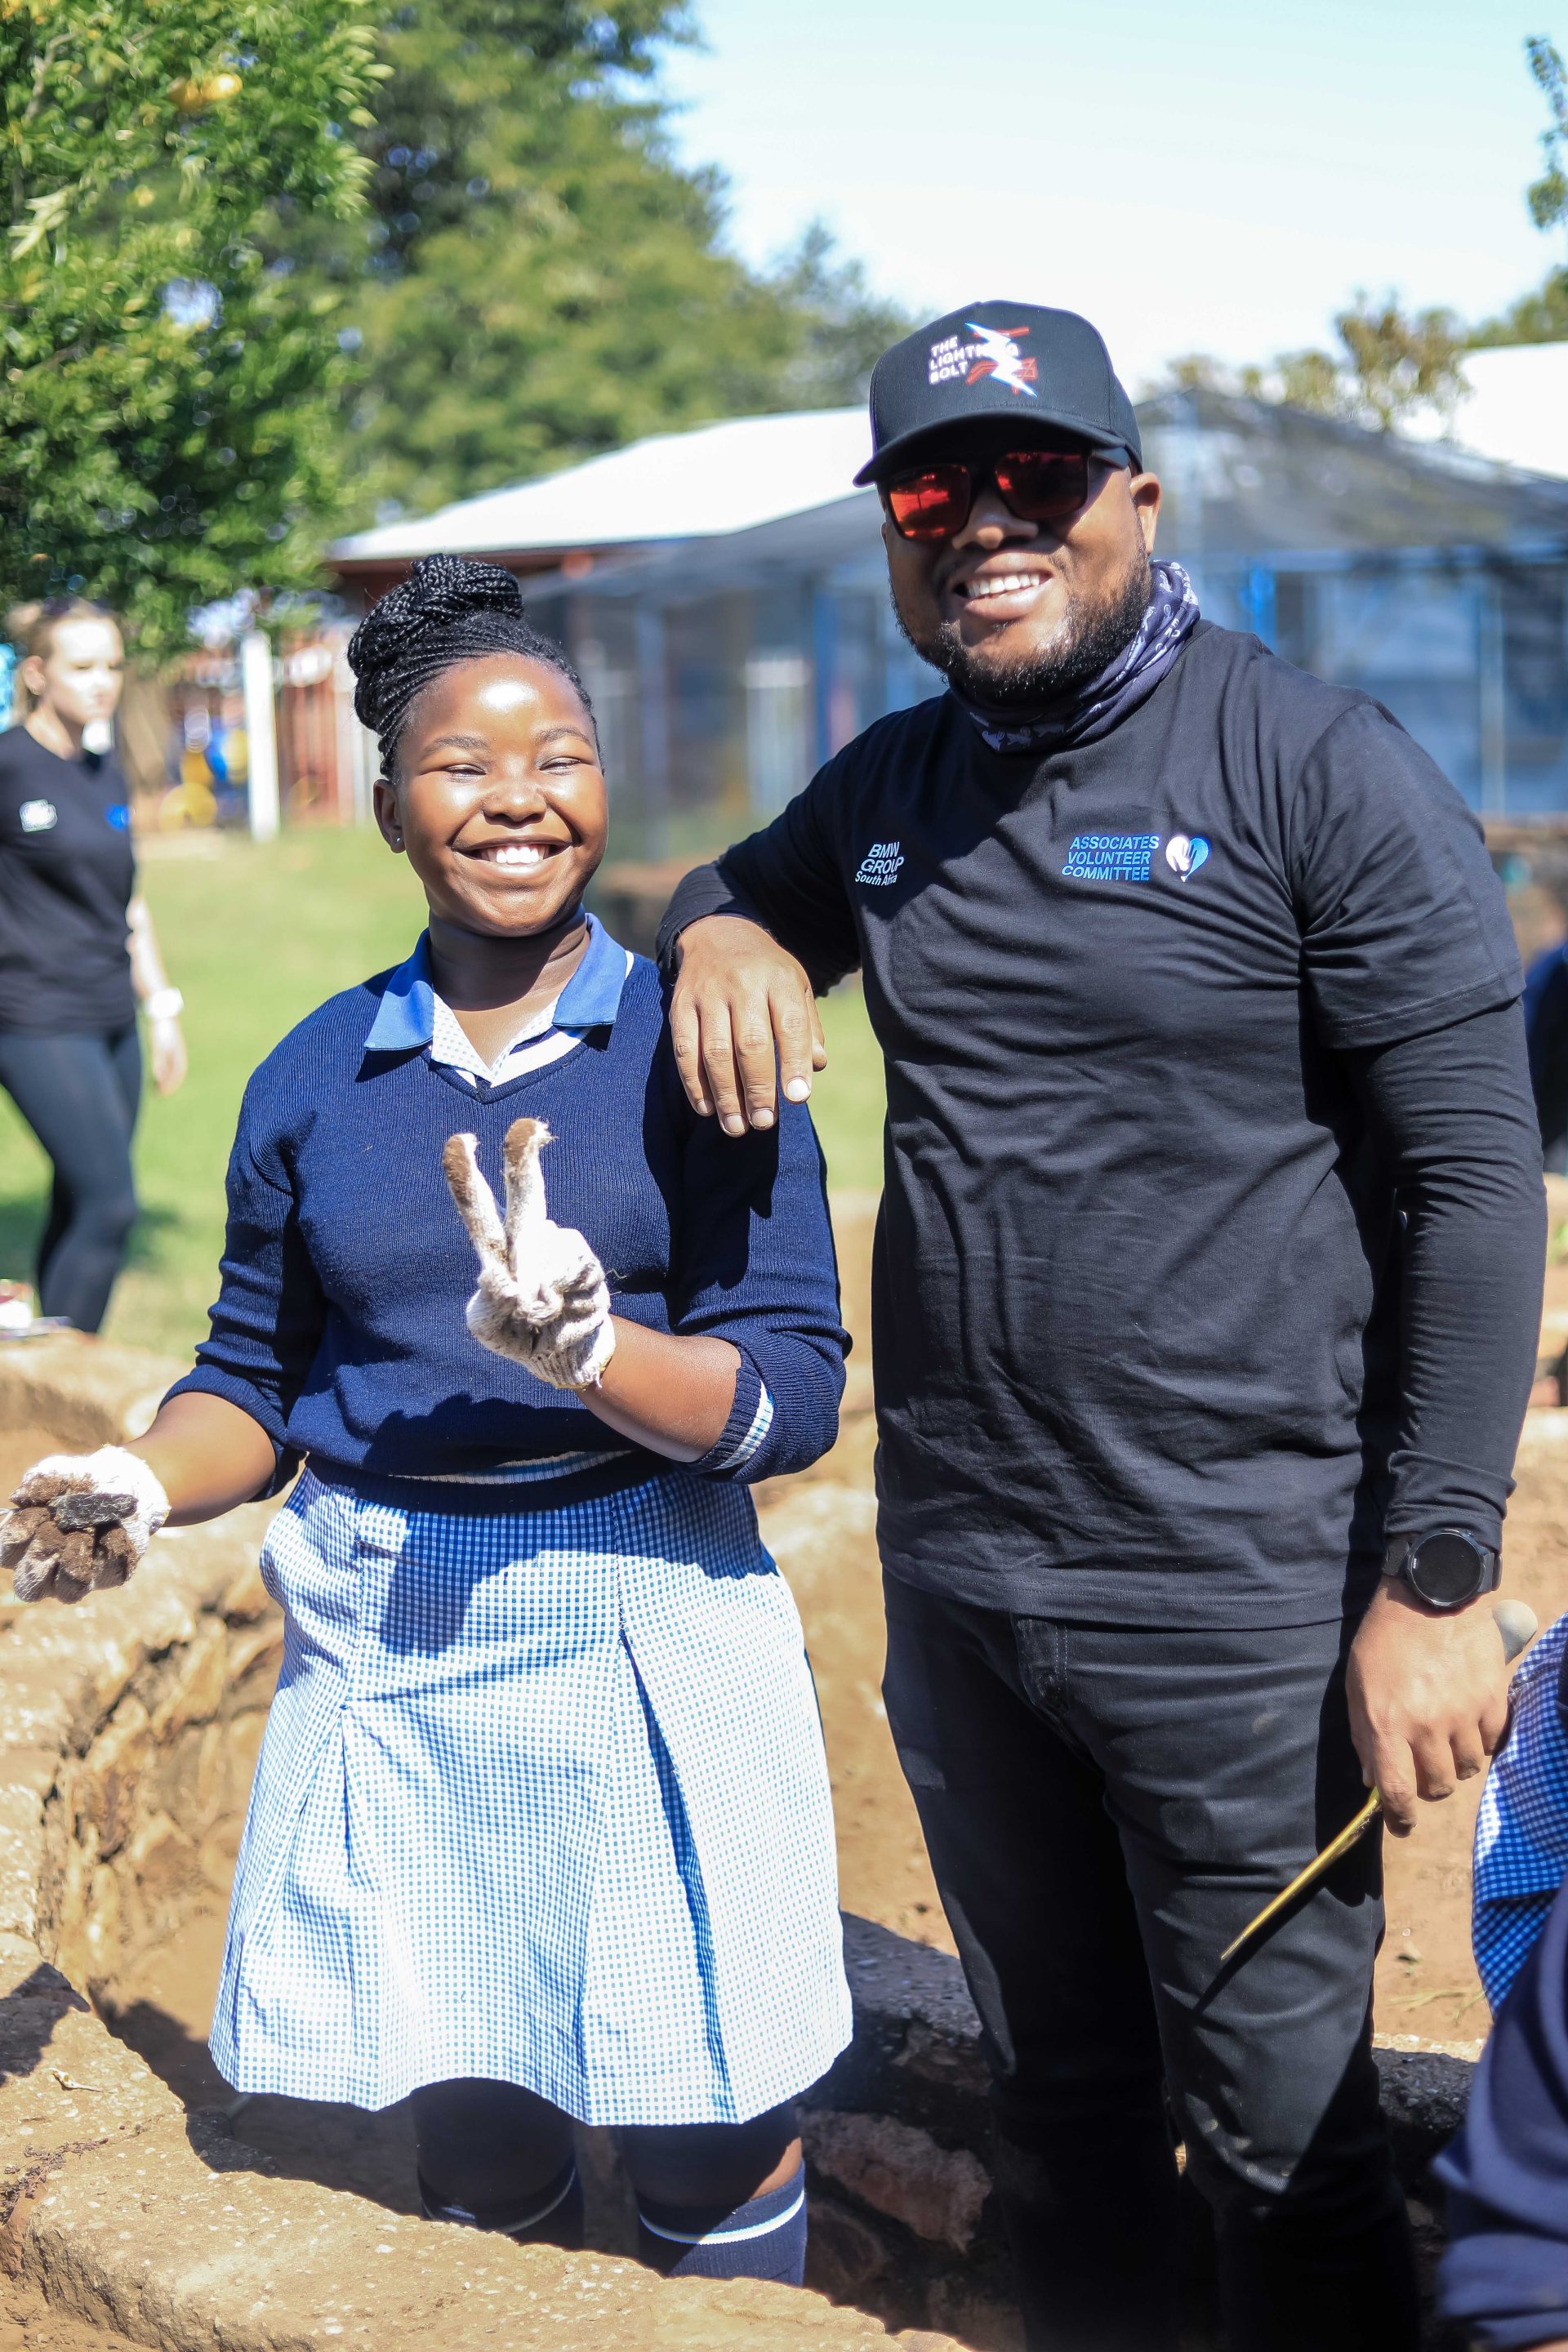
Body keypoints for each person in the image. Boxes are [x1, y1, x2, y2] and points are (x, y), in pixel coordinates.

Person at [656, 302, 1545, 2352]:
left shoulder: (1314, 768)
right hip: (966, 1583)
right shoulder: (891, 788)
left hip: (1233, 1594)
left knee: (1279, 2141)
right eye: (932, 490)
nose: (984, 523)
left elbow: (1478, 1186)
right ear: (892, 534)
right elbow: (744, 882)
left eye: (1038, 478)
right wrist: (721, 922)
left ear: (1135, 499)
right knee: (1064, 2111)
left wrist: (1430, 1575)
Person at [1, 556, 850, 2278]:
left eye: (562, 753)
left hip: (646, 1624)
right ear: (389, 802)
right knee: (474, 2128)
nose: (521, 796)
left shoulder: (702, 1044)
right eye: (464, 762)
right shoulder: (318, 1076)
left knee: (706, 2121)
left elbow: (795, 1393)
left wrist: (594, 1354)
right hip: (392, 1652)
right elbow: (254, 1378)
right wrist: (145, 1481)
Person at [0, 599, 186, 1332]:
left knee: (81, 1199)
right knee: (113, 1203)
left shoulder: (106, 769)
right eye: (83, 667)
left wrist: (161, 1006)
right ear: (39, 674)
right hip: (34, 1016)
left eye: (112, 665)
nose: (103, 682)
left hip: (113, 1018)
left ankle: (35, 1385)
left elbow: (128, 900)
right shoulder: (9, 765)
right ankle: (71, 1384)